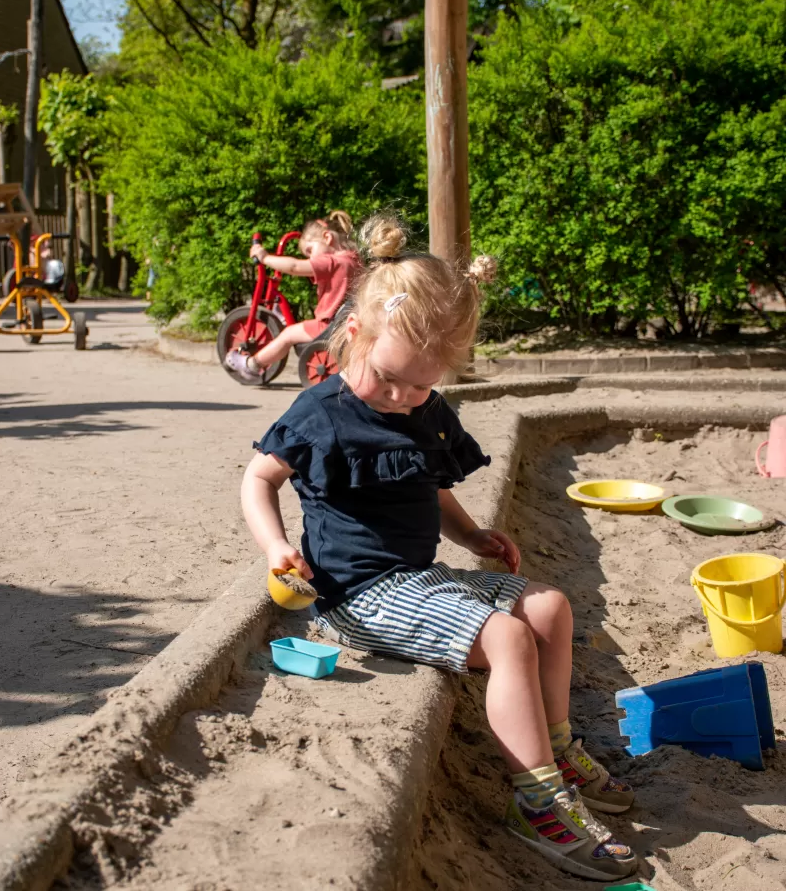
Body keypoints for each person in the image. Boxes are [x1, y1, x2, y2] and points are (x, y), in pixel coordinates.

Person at [241, 214, 637, 882]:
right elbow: (258, 478)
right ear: (354, 335)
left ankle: (559, 748)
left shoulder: (425, 410)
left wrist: (472, 534)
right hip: (356, 598)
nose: (400, 397)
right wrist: (277, 546)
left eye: (419, 386)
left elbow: (429, 488)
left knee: (549, 609)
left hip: (419, 579)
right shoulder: (319, 412)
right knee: (509, 640)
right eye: (389, 379)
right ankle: (538, 803)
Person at [225, 210, 360, 381]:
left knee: (288, 334)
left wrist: (264, 257)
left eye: (310, 250)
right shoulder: (354, 259)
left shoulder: (332, 262)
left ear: (327, 238)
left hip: (327, 326)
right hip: (346, 321)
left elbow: (295, 267)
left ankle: (252, 365)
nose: (311, 257)